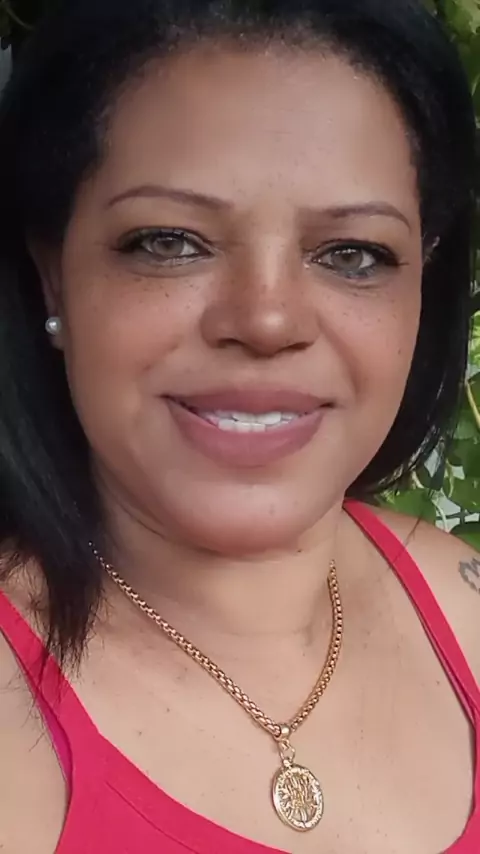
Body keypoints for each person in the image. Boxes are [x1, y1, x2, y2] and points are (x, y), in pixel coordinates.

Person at [0, 0, 478, 851]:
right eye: (170, 242)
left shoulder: (467, 611)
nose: (266, 320)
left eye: (352, 254)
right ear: (52, 277)